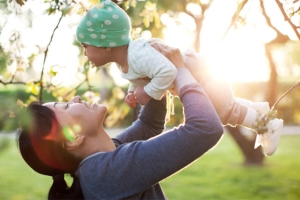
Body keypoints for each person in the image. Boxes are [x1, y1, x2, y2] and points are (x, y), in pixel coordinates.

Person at [75, 0, 283, 156]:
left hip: (199, 74)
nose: (84, 53)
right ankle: (259, 109)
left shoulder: (137, 54)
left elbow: (168, 71)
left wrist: (147, 93)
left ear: (106, 44)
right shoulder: (127, 60)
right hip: (196, 76)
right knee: (226, 107)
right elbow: (138, 77)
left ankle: (267, 126)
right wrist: (132, 93)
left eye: (86, 46)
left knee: (224, 111)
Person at [17, 44, 224, 199]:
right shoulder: (106, 174)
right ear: (73, 139)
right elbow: (204, 129)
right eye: (67, 106)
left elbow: (148, 125)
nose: (76, 98)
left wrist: (153, 82)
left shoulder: (102, 161)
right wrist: (180, 71)